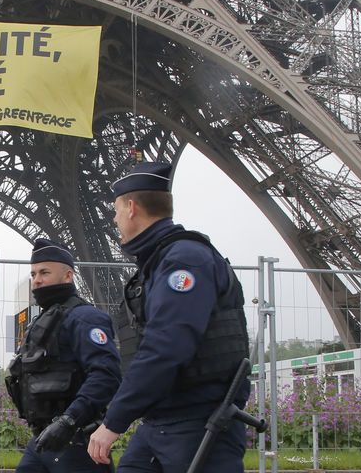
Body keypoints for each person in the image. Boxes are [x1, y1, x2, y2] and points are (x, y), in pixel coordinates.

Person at [87, 161, 251, 472]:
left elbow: (166, 345)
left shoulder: (184, 259)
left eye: (117, 210)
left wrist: (114, 421)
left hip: (199, 424)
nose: (115, 218)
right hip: (161, 422)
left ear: (132, 207)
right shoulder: (159, 262)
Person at [5, 238, 123, 473]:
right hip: (43, 439)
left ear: (68, 276)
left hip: (76, 441)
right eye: (34, 274)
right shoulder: (42, 322)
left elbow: (106, 376)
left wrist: (69, 420)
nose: (37, 280)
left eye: (45, 272)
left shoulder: (85, 318)